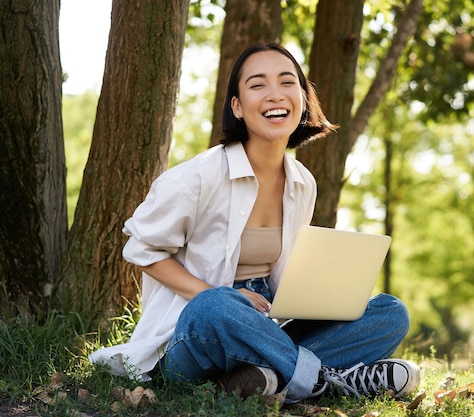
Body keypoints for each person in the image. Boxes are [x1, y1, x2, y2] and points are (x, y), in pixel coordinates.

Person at [89, 42, 420, 403]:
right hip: (194, 334)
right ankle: (326, 380)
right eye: (258, 85)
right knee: (217, 305)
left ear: (304, 99)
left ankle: (258, 379)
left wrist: (323, 295)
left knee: (390, 313)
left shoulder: (303, 182)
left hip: (265, 328)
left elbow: (282, 278)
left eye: (286, 82)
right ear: (237, 107)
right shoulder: (196, 178)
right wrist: (219, 294)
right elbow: (140, 249)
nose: (274, 95)